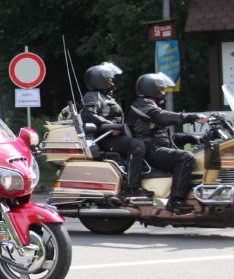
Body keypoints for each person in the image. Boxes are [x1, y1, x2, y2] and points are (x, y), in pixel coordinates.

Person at [125, 73, 207, 214]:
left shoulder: (150, 106)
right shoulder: (142, 106)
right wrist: (193, 117)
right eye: (162, 90)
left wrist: (193, 138)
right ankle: (176, 201)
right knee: (186, 157)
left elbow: (165, 136)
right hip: (150, 151)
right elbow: (163, 117)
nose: (164, 93)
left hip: (156, 147)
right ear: (152, 90)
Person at [80, 62, 150, 198]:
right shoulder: (93, 96)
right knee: (136, 146)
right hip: (105, 138)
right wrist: (111, 126)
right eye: (110, 78)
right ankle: (133, 188)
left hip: (112, 135)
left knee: (141, 142)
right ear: (101, 80)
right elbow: (88, 115)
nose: (112, 81)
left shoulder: (105, 96)